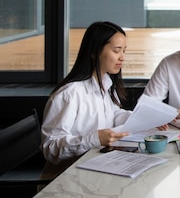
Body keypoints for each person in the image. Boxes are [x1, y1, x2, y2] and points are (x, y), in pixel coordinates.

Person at [40, 21, 133, 175]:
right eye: (117, 51)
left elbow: (113, 113)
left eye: (124, 51)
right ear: (94, 52)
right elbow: (50, 148)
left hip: (98, 169)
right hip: (67, 178)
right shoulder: (69, 94)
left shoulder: (105, 83)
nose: (122, 57)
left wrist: (140, 118)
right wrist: (94, 139)